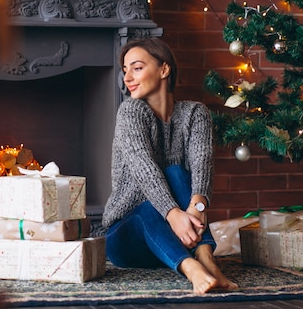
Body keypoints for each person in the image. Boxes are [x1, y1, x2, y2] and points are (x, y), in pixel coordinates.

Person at [101, 37, 238, 294]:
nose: (127, 77)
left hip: (174, 237)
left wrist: (198, 207)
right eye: (125, 70)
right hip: (126, 239)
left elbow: (202, 166)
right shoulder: (130, 112)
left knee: (176, 171)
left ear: (164, 70)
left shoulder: (195, 113)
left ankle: (206, 257)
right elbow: (145, 172)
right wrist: (173, 214)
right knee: (146, 209)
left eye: (137, 68)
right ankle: (193, 269)